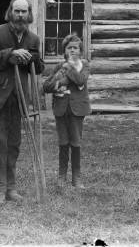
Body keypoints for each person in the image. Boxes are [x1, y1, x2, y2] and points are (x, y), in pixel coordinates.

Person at [0, 0, 44, 205]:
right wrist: (10, 54)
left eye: (23, 12)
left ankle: (11, 187)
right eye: (16, 11)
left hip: (19, 98)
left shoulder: (33, 39)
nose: (20, 15)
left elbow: (40, 66)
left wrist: (31, 58)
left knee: (14, 144)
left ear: (29, 14)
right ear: (10, 12)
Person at [43, 34, 91, 188]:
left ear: (80, 51)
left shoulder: (84, 65)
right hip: (61, 108)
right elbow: (46, 86)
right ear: (64, 50)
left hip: (77, 108)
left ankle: (76, 177)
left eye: (75, 48)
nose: (72, 50)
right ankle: (61, 176)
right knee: (63, 141)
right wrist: (58, 78)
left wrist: (68, 70)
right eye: (69, 48)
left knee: (76, 142)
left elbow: (80, 80)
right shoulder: (59, 66)